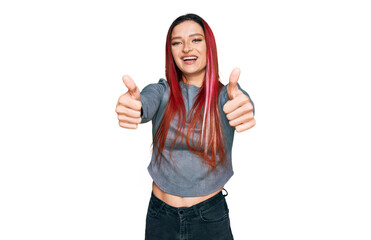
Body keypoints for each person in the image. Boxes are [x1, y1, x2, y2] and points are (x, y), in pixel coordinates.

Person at [115, 13, 255, 240]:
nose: (186, 48)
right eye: (177, 42)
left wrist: (245, 107)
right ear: (170, 51)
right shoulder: (162, 91)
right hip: (161, 218)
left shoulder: (225, 96)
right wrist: (134, 106)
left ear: (209, 46)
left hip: (209, 218)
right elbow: (144, 102)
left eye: (196, 40)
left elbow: (239, 102)